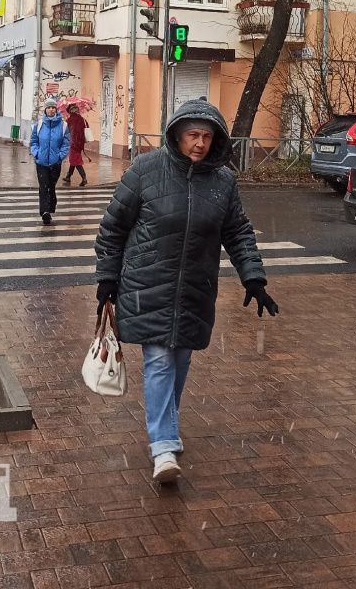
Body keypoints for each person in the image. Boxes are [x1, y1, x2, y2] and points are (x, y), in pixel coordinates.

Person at [94, 98, 279, 484]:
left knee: (180, 360)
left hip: (195, 287)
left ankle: (167, 425)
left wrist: (254, 278)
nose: (200, 143)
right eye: (193, 135)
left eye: (207, 137)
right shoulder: (145, 170)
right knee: (160, 359)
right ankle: (163, 446)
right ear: (177, 135)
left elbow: (238, 232)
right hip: (147, 284)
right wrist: (107, 278)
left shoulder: (223, 181)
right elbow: (113, 228)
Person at [29, 99, 69, 224]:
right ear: (45, 109)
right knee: (43, 186)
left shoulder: (63, 125)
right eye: (48, 107)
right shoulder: (39, 124)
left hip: (55, 163)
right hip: (41, 163)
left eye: (53, 107)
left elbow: (66, 144)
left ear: (56, 110)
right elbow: (33, 141)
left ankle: (50, 207)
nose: (51, 110)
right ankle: (45, 212)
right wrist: (36, 153)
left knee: (51, 186)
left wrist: (59, 157)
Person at [62, 103, 89, 186]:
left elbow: (66, 132)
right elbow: (85, 129)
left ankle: (84, 178)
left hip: (73, 144)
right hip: (80, 144)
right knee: (74, 160)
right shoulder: (82, 119)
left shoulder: (69, 120)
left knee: (76, 161)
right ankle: (68, 176)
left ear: (70, 111)